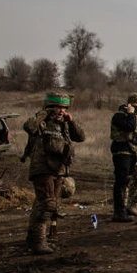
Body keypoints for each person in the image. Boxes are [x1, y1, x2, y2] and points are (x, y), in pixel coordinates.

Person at [22, 91, 86, 254]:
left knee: (48, 203)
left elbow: (80, 137)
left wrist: (71, 121)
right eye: (57, 107)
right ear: (49, 107)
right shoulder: (42, 121)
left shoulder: (64, 124)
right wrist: (42, 115)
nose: (61, 111)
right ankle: (39, 242)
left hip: (58, 168)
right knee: (46, 203)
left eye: (64, 108)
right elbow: (29, 127)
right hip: (42, 166)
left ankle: (33, 239)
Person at [109, 94, 137, 222]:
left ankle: (123, 209)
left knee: (126, 181)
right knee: (121, 181)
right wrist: (131, 114)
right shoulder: (119, 116)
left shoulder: (133, 117)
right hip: (121, 151)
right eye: (136, 104)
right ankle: (119, 212)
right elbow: (130, 127)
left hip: (130, 151)